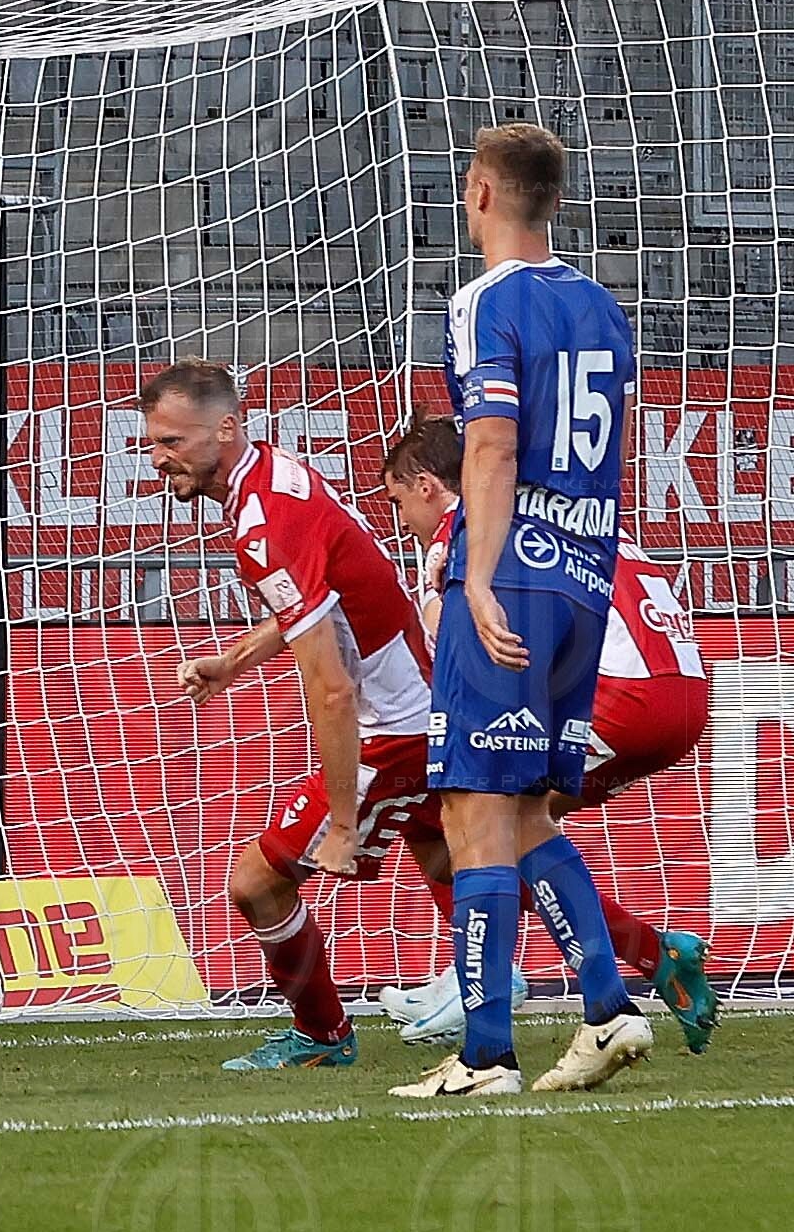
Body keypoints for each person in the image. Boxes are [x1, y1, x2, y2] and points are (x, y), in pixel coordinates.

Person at [392, 123, 653, 1099]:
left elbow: (492, 444)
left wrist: (482, 576)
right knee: (529, 810)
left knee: (471, 804)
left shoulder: (482, 301)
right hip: (588, 576)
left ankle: (488, 1051)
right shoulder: (601, 302)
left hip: (515, 578)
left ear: (482, 193)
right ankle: (607, 1007)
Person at [377, 413, 719, 1051]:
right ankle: (644, 962)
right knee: (508, 824)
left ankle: (488, 978)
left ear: (427, 486)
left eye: (399, 502)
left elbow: (456, 638)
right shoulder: (580, 514)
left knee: (480, 825)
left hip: (622, 692)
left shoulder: (471, 528)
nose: (402, 521)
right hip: (681, 689)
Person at [144, 360, 436, 1072]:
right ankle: (643, 958)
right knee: (478, 854)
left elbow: (330, 687)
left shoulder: (261, 519)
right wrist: (235, 661)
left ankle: (324, 1034)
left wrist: (341, 822)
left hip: (393, 724)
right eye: (153, 443)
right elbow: (322, 598)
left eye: (175, 442)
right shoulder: (275, 479)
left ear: (227, 428)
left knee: (255, 882)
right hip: (425, 704)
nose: (160, 459)